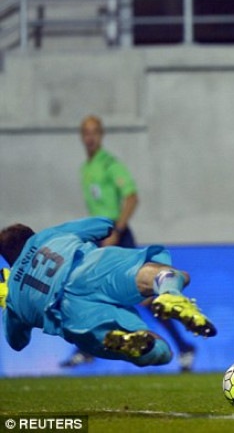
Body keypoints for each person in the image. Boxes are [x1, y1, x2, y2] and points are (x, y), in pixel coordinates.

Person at [62, 115, 197, 371]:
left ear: (101, 136)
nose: (90, 137)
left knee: (139, 296)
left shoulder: (110, 165)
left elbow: (132, 197)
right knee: (99, 291)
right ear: (82, 137)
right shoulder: (86, 168)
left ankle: (183, 346)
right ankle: (86, 348)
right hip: (102, 237)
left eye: (94, 133)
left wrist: (117, 229)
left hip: (117, 235)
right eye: (86, 133)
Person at [0, 217, 217, 367]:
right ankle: (170, 294)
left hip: (71, 315)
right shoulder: (49, 236)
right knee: (169, 274)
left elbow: (17, 342)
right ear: (31, 236)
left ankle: (121, 340)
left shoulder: (14, 298)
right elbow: (104, 225)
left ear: (8, 259)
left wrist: (6, 304)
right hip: (89, 269)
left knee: (162, 353)